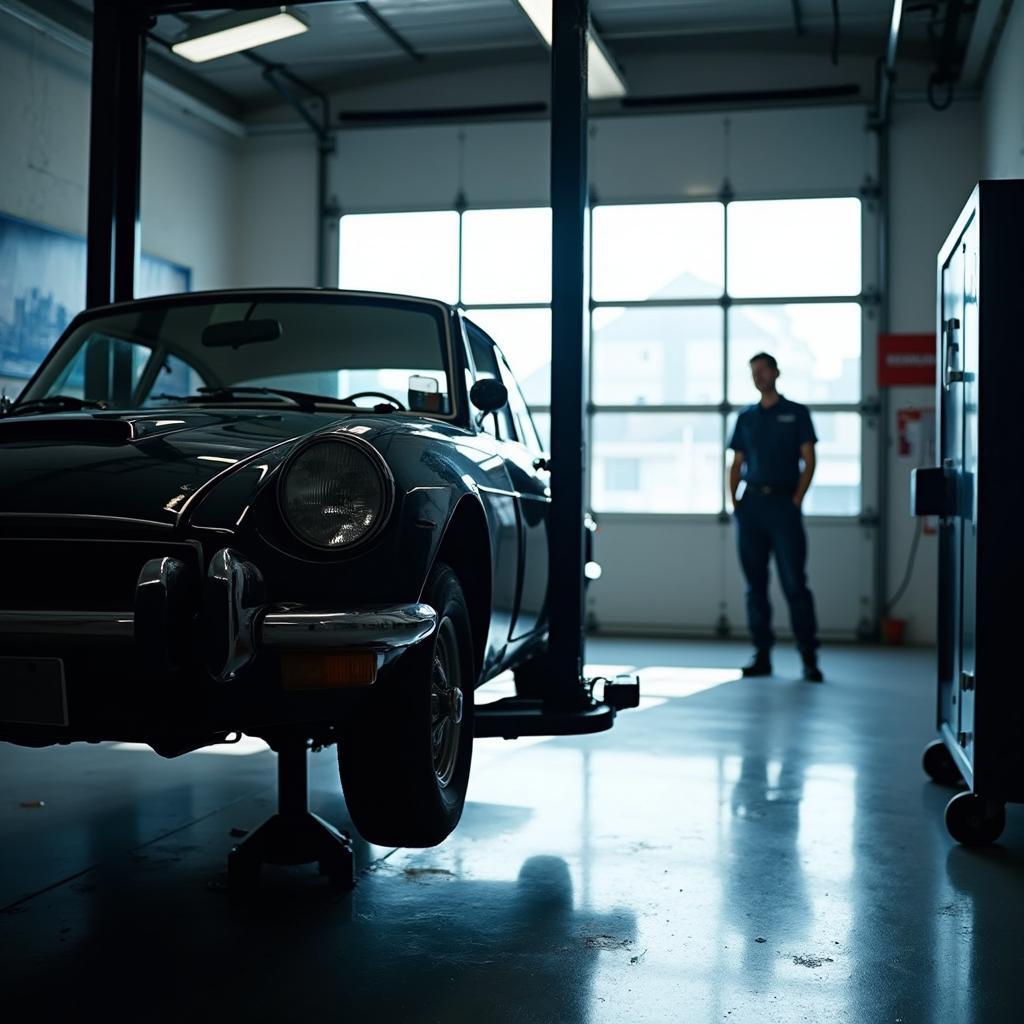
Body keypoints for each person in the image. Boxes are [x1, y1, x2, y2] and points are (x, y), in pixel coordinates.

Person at [728, 352, 823, 683]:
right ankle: (762, 654)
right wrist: (736, 504)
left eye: (763, 370)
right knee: (755, 586)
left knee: (794, 583)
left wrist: (796, 498)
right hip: (752, 506)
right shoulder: (746, 418)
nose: (758, 376)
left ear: (776, 373)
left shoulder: (796, 414)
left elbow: (809, 460)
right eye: (753, 371)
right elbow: (737, 463)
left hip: (784, 506)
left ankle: (809, 657)